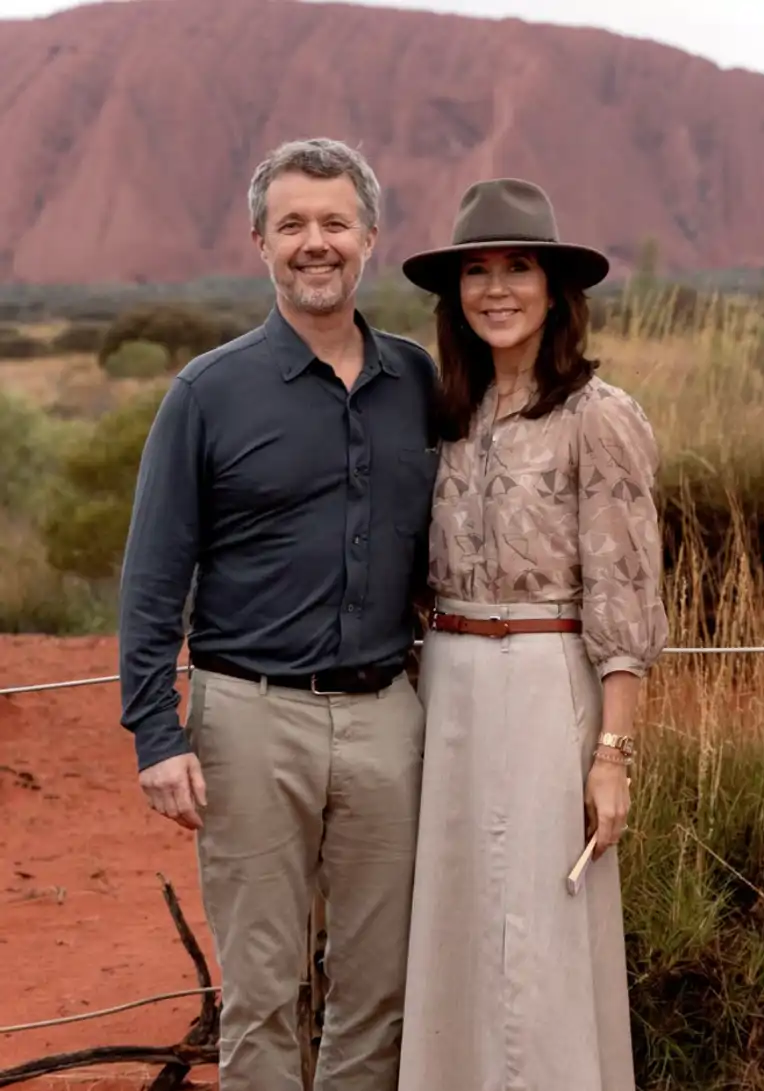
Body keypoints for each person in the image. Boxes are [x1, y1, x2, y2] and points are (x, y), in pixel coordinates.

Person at [117, 137, 439, 1091]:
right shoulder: (208, 392)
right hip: (250, 718)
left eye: (335, 222)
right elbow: (153, 574)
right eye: (292, 224)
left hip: (388, 718)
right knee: (262, 990)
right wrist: (155, 732)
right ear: (259, 241)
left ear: (370, 236)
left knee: (378, 987)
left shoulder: (418, 383)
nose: (315, 242)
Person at [397, 178, 669, 1091]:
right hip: (447, 682)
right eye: (477, 271)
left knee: (542, 922)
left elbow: (625, 595)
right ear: (455, 295)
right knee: (456, 916)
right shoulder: (447, 413)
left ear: (555, 291)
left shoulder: (599, 415)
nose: (497, 289)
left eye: (518, 267)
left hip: (549, 678)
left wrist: (612, 755)